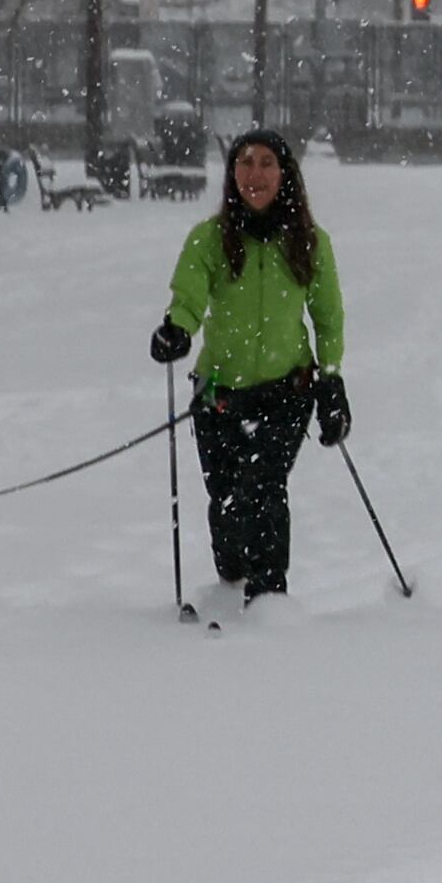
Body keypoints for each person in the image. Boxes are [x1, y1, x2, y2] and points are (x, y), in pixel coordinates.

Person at [144, 128, 350, 621]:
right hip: (219, 394)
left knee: (263, 484)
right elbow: (189, 297)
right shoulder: (209, 239)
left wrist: (332, 379)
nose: (253, 175)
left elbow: (328, 316)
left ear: (285, 175)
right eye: (244, 162)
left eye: (265, 163)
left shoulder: (310, 243)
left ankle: (269, 601)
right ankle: (230, 587)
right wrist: (177, 330)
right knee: (226, 500)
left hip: (288, 391)